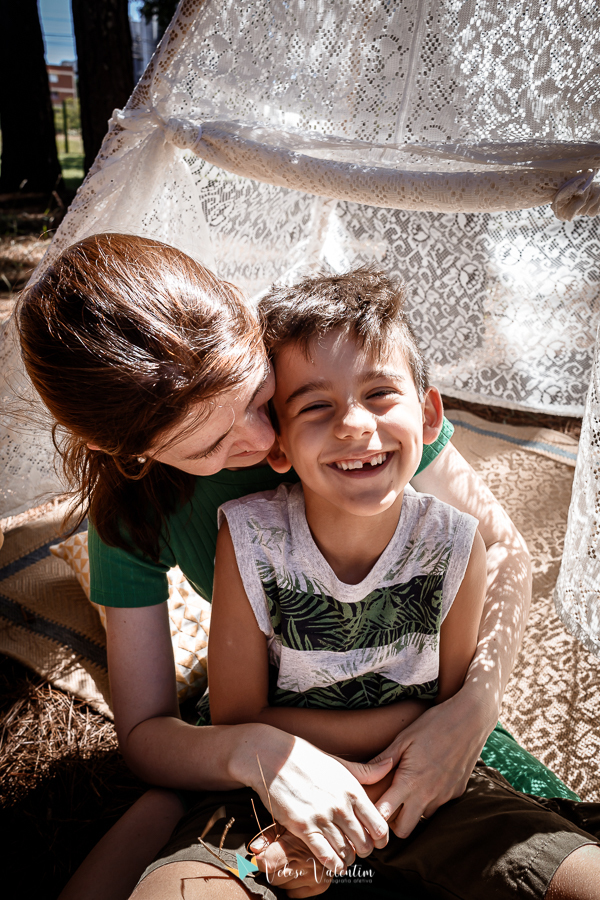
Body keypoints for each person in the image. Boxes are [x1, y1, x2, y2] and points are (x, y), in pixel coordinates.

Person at [15, 234, 534, 900]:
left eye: (257, 397)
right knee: (150, 832)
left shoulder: (337, 398)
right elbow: (145, 731)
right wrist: (254, 754)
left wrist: (474, 709)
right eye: (209, 444)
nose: (263, 441)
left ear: (238, 309)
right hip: (262, 711)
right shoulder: (133, 515)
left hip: (404, 699)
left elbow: (503, 548)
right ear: (122, 450)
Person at [139, 268, 600, 900]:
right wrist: (396, 730)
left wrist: (372, 809)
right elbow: (237, 718)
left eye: (380, 393)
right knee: (185, 888)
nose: (355, 424)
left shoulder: (459, 545)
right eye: (316, 406)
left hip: (427, 787)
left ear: (430, 413)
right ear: (279, 445)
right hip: (276, 791)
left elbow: (445, 718)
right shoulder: (246, 537)